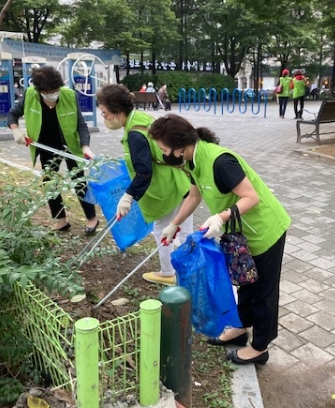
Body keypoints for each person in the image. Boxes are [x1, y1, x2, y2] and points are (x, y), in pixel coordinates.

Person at [149, 114, 291, 365]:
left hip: (265, 231)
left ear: (179, 146)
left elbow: (251, 197)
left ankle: (260, 347)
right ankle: (240, 327)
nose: (163, 154)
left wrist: (220, 218)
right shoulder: (193, 161)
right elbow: (193, 196)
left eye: (163, 149)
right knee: (245, 283)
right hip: (241, 235)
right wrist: (173, 224)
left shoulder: (220, 161)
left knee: (263, 291)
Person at [95, 84, 193, 286]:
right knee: (185, 231)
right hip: (179, 182)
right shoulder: (140, 118)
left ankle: (168, 273)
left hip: (166, 189)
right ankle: (191, 272)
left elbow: (144, 171)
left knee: (162, 230)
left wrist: (128, 196)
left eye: (105, 114)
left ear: (117, 112)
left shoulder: (135, 134)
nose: (103, 118)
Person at [7, 65, 99, 234]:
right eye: (49, 92)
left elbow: (81, 124)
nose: (53, 94)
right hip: (45, 145)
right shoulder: (29, 96)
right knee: (50, 182)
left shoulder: (69, 95)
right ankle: (61, 220)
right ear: (40, 90)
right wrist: (15, 130)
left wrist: (85, 146)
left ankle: (92, 218)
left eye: (56, 90)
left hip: (69, 144)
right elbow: (12, 114)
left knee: (78, 180)